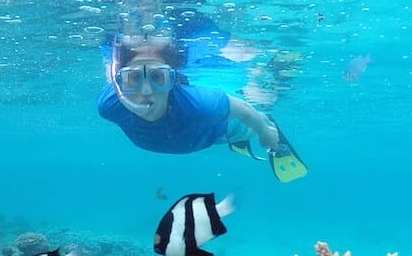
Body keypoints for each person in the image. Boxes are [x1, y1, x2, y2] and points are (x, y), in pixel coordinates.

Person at [96, 27, 308, 183]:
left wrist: (264, 132)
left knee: (262, 102)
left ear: (173, 80)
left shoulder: (199, 105)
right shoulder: (108, 104)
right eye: (133, 78)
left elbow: (244, 110)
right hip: (199, 137)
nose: (146, 90)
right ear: (120, 81)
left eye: (158, 77)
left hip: (218, 131)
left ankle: (269, 92)